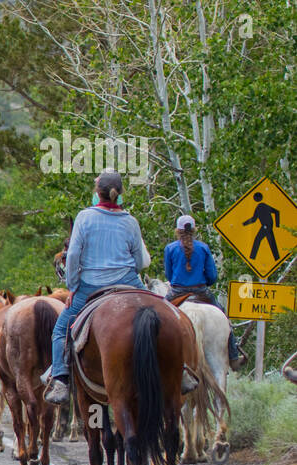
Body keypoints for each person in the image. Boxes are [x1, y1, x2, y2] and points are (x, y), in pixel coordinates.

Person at [44, 170, 153, 405]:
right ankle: (182, 366)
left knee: (61, 331)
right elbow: (141, 262)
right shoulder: (130, 221)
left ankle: (61, 380)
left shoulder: (84, 217)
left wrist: (72, 286)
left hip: (90, 287)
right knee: (165, 311)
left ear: (98, 193)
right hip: (128, 283)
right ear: (119, 195)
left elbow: (72, 256)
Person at [163, 214, 245, 370]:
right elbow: (212, 276)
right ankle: (233, 357)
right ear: (194, 230)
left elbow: (168, 275)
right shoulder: (203, 248)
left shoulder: (170, 248)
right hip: (201, 291)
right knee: (223, 317)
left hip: (177, 292)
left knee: (156, 316)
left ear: (178, 230)